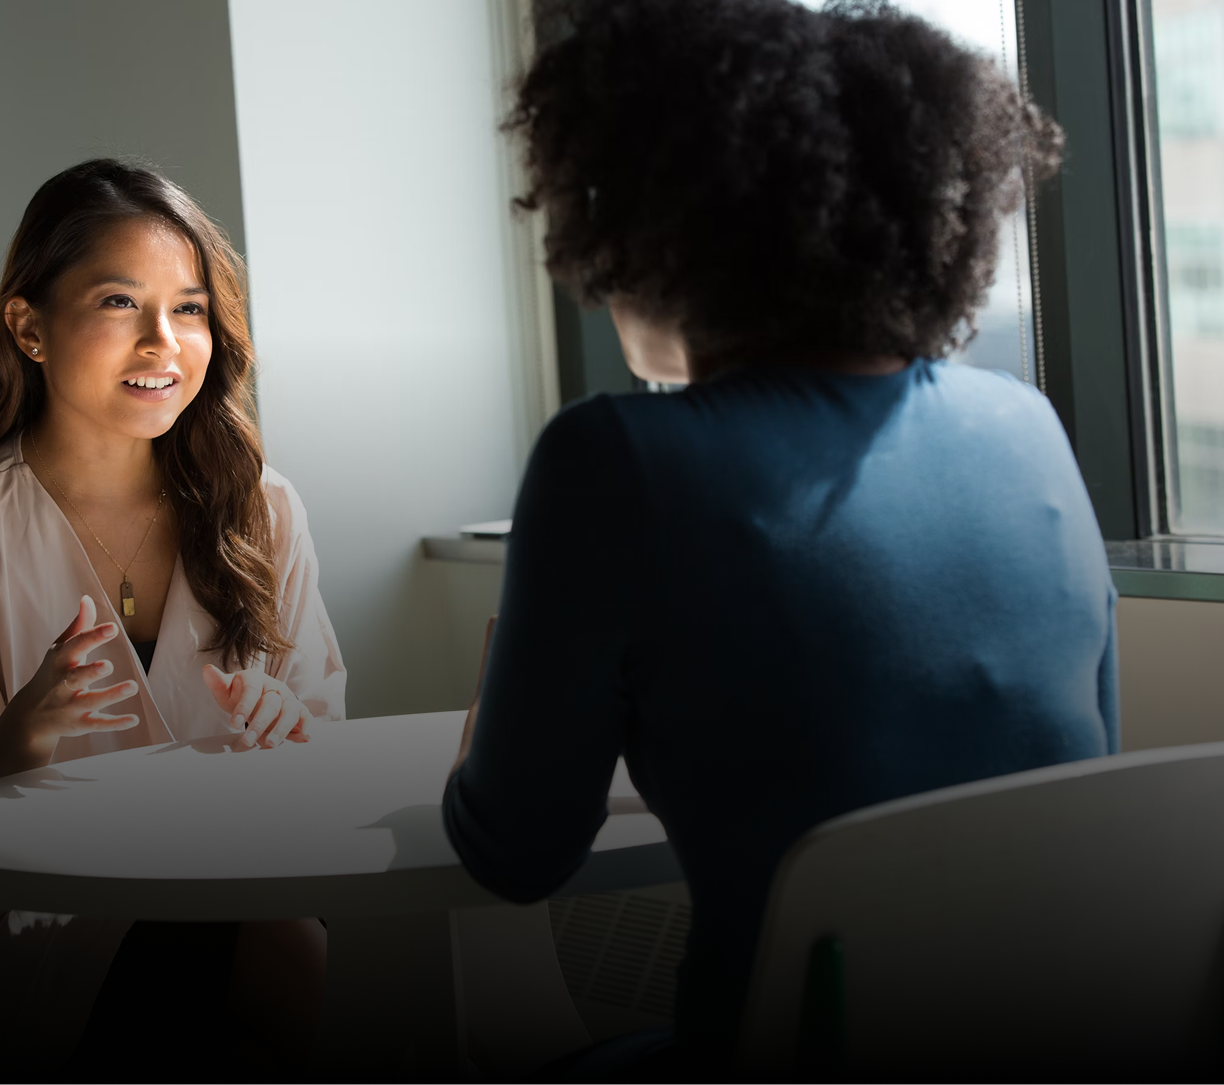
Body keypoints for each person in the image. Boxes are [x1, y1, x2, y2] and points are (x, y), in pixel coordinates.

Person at [442, 0, 1115, 1077]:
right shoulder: (1026, 427)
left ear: (660, 229)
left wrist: (488, 736)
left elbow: (516, 853)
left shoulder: (612, 456)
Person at [0, 159, 345, 1074]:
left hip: (238, 890)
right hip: (24, 930)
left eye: (189, 308)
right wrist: (15, 746)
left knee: (302, 938)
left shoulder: (263, 509)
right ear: (28, 327)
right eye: (120, 302)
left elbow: (326, 768)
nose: (164, 342)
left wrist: (291, 729)